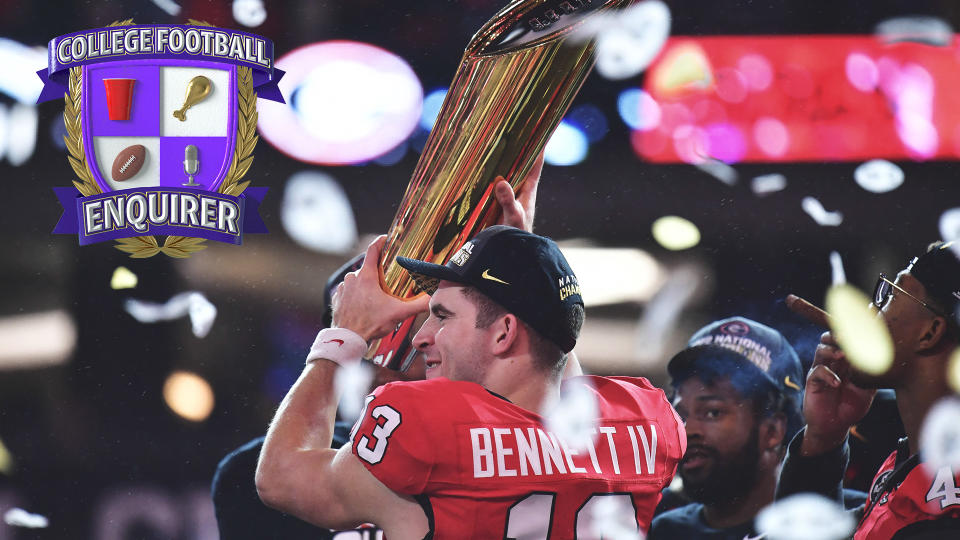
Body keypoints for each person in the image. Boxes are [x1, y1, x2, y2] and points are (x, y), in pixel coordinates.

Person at [256, 225, 687, 539]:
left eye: (442, 315)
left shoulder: (427, 422)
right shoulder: (647, 421)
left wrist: (344, 334)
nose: (422, 336)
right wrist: (522, 259)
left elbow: (280, 477)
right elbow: (552, 378)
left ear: (503, 332)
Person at [213, 166, 543, 540]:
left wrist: (513, 279)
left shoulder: (497, 445)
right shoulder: (249, 474)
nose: (423, 339)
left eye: (440, 317)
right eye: (396, 324)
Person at [777, 241, 960, 538]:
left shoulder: (945, 514)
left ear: (930, 332)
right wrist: (824, 438)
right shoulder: (914, 466)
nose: (871, 310)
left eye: (890, 295)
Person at [649, 317, 808, 540]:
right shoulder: (662, 531)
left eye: (713, 412)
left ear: (773, 431)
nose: (688, 430)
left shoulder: (828, 524)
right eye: (681, 415)